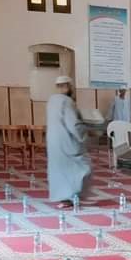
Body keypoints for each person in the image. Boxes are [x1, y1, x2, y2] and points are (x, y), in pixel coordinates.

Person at [46, 76, 92, 206]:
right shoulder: (67, 102)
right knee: (83, 168)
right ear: (68, 86)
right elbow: (73, 124)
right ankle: (73, 197)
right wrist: (85, 134)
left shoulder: (51, 101)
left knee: (60, 171)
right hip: (67, 142)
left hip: (53, 142)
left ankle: (65, 199)